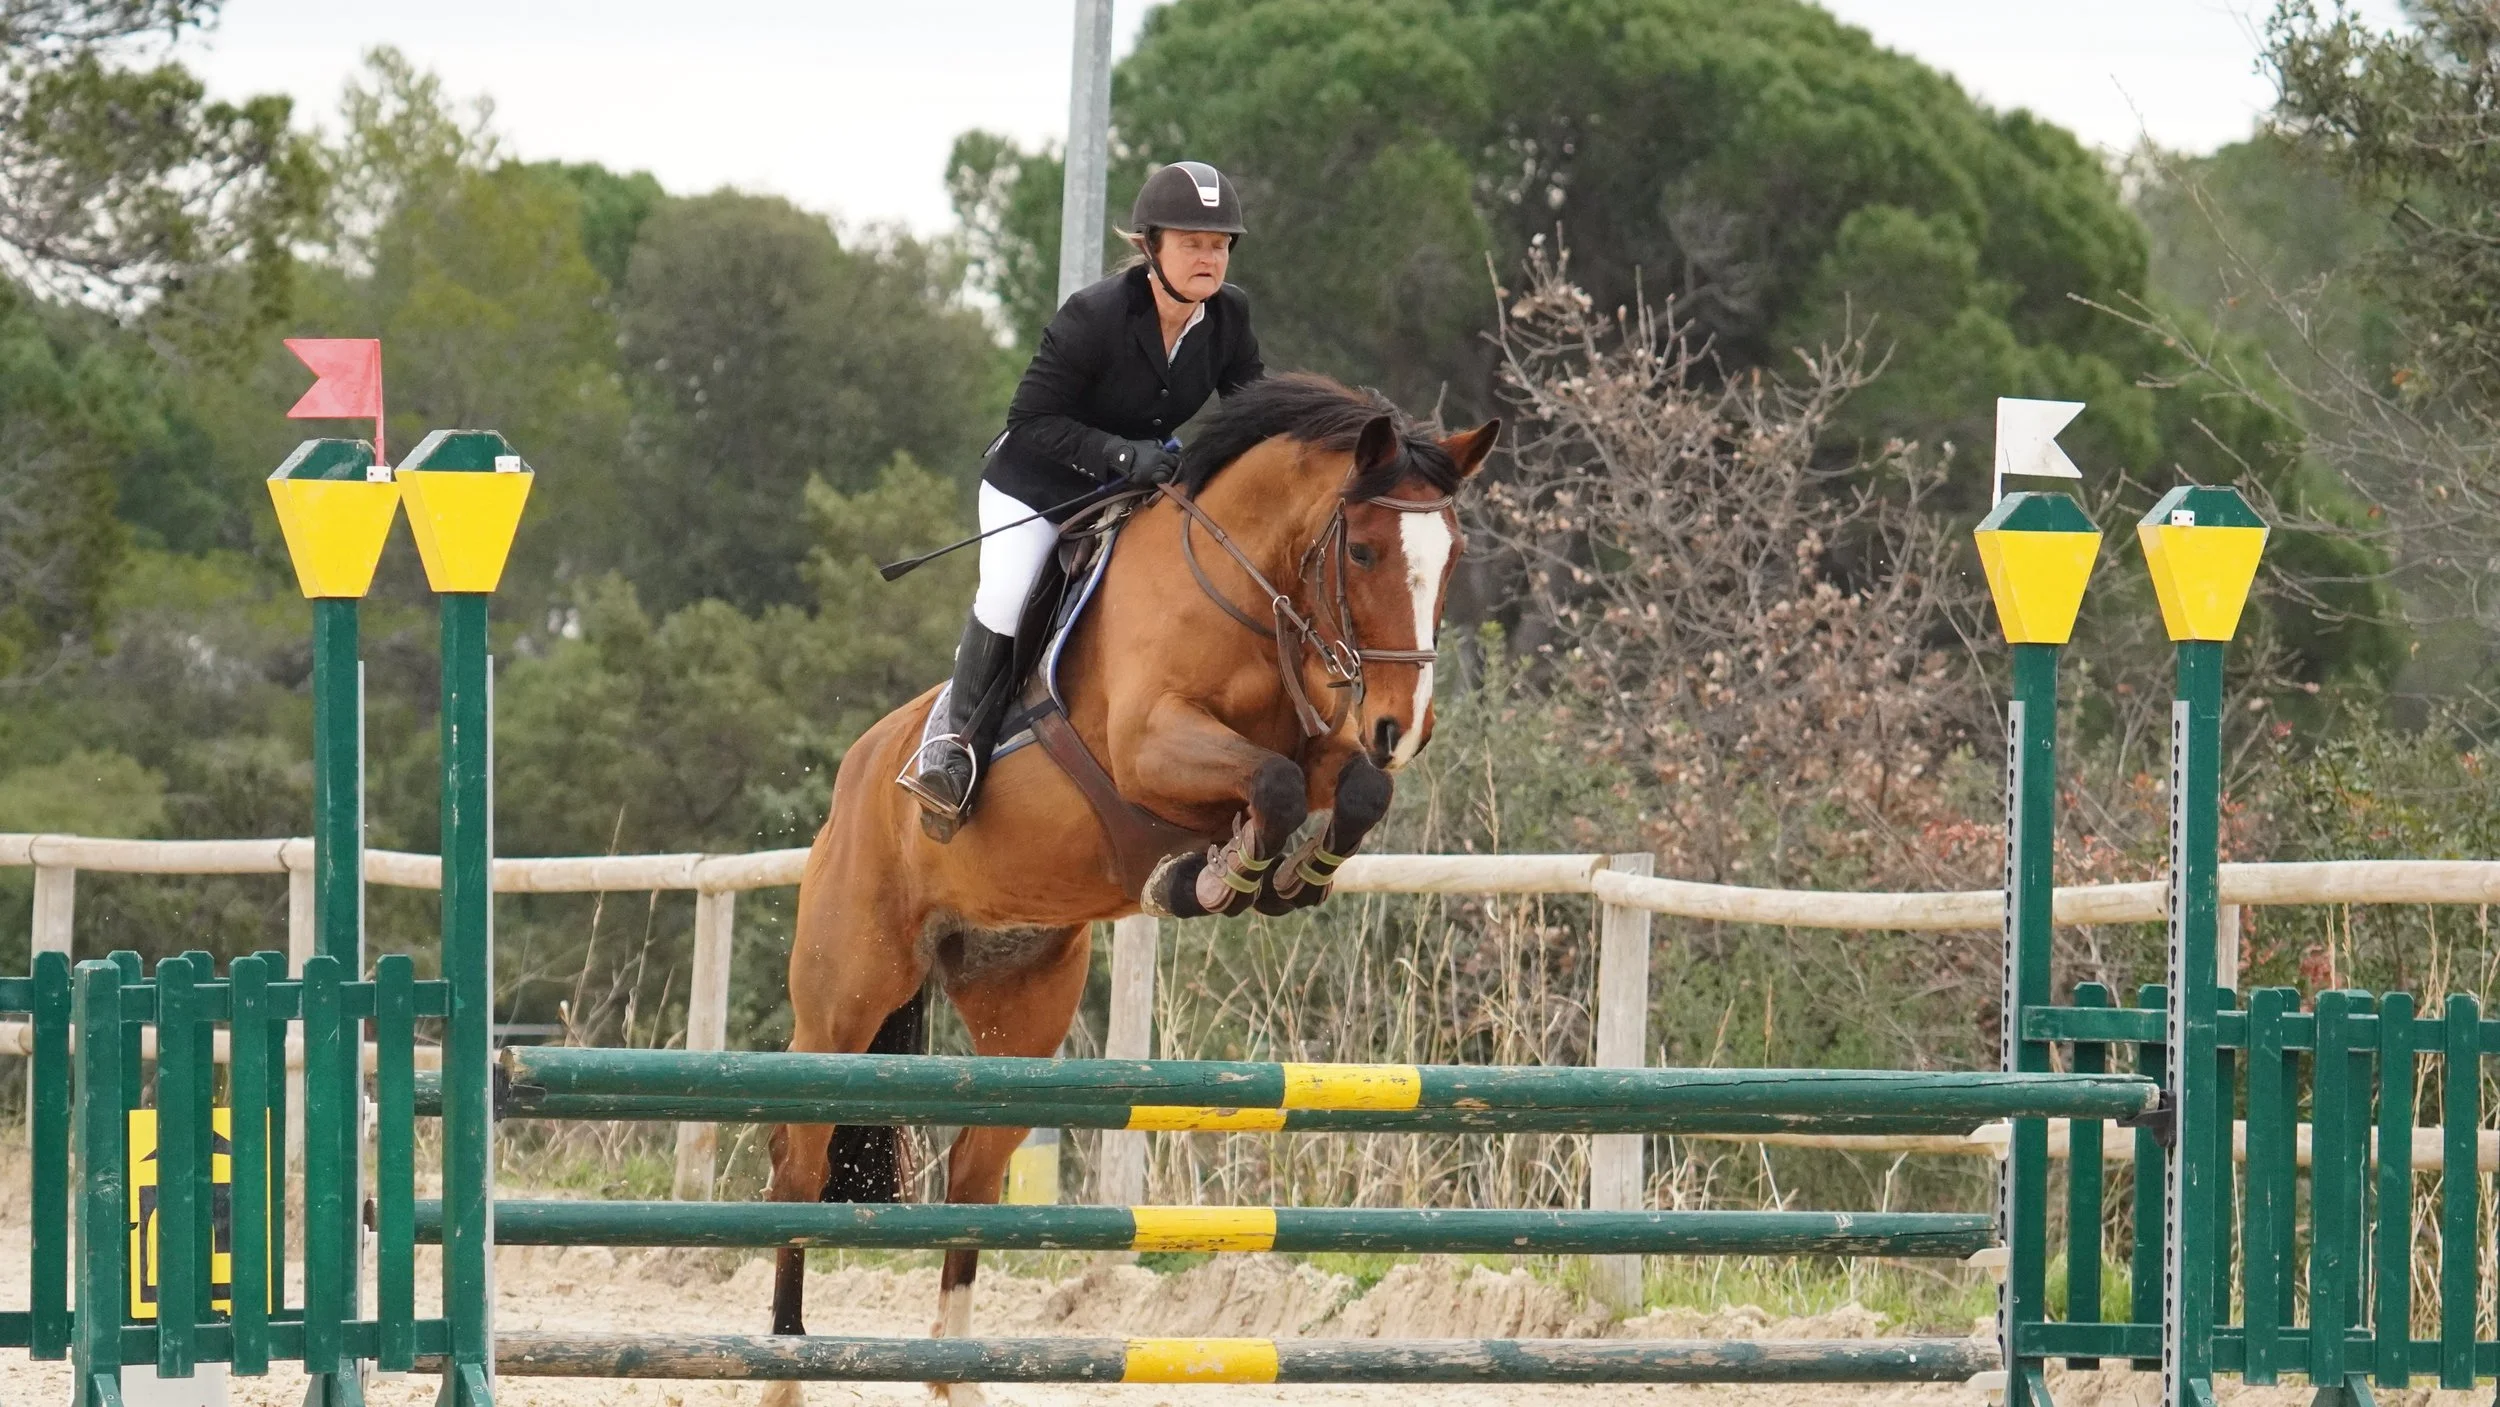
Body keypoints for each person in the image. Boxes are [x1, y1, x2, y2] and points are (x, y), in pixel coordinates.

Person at [902, 160, 1267, 836]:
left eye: (1218, 245)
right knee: (1010, 592)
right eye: (1192, 242)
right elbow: (1031, 419)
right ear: (1150, 247)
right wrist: (1124, 455)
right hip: (1036, 486)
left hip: (1132, 491)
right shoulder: (1094, 315)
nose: (1208, 258)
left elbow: (1253, 412)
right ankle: (957, 752)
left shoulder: (1227, 318)